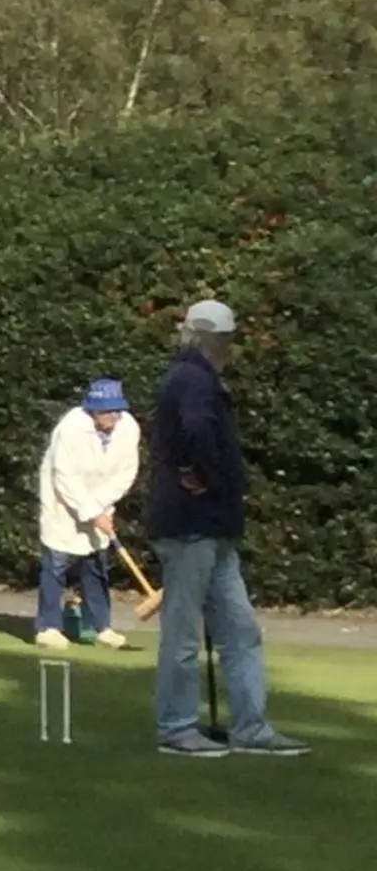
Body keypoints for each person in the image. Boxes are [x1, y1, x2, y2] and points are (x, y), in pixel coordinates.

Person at [146, 299, 308, 757]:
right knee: (183, 630)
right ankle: (176, 725)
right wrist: (206, 476)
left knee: (239, 629)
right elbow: (196, 432)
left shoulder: (198, 378)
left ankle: (250, 726)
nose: (228, 347)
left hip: (212, 526)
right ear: (205, 338)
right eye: (223, 339)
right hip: (190, 524)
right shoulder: (192, 379)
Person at [33, 379, 140, 651]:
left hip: (100, 500)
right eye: (108, 411)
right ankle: (48, 628)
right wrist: (91, 511)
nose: (115, 416)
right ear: (92, 410)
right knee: (55, 563)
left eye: (118, 410)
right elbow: (64, 476)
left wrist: (102, 506)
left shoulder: (128, 428)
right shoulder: (70, 429)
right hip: (62, 503)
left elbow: (126, 472)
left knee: (96, 565)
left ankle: (101, 627)